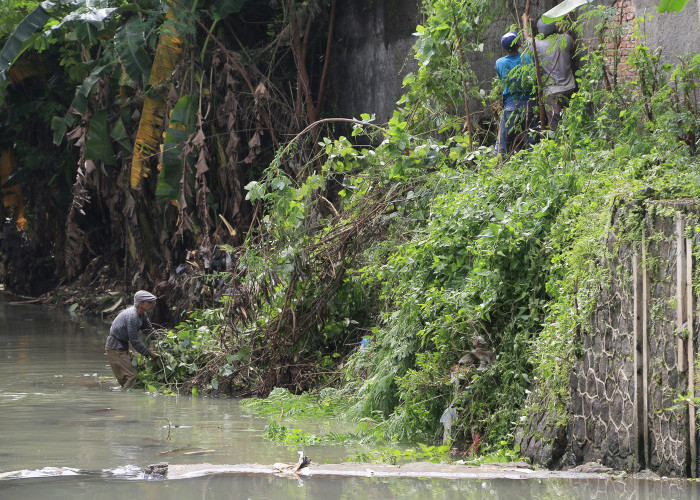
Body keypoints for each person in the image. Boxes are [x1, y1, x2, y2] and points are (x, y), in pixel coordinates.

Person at [522, 14, 577, 132]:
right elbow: (572, 45)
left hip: (552, 93)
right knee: (571, 123)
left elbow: (526, 38)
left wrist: (524, 22)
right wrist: (563, 25)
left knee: (555, 126)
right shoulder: (565, 39)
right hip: (570, 88)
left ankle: (558, 148)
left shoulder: (536, 44)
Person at [105, 290, 159, 388]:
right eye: (149, 302)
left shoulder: (142, 314)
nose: (153, 304)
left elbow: (149, 330)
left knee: (139, 371)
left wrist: (162, 340)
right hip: (115, 348)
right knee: (131, 377)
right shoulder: (132, 316)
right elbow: (134, 341)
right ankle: (126, 400)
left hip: (123, 346)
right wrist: (150, 354)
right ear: (141, 303)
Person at [495, 31, 537, 155]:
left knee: (503, 139)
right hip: (530, 102)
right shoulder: (529, 57)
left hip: (511, 103)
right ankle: (534, 161)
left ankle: (498, 162)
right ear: (518, 43)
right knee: (533, 136)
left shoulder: (500, 63)